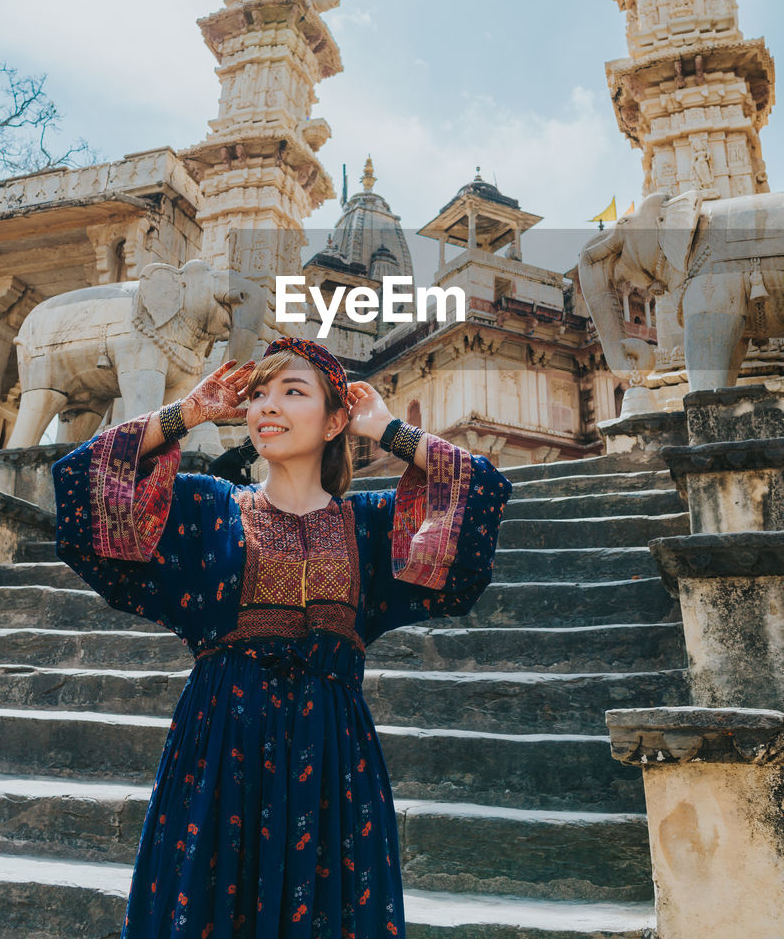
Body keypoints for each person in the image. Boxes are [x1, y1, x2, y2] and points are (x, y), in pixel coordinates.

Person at [52, 334, 512, 938]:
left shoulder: (371, 524)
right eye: (258, 393)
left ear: (334, 421)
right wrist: (186, 412)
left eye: (293, 392)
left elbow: (478, 489)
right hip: (219, 745)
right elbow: (83, 480)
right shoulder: (204, 507)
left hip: (331, 757)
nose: (267, 405)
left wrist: (388, 429)